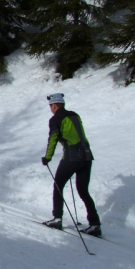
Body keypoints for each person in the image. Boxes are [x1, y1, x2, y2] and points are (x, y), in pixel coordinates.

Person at [41, 93, 102, 236]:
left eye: (51, 106)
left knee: (58, 185)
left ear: (54, 105)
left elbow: (53, 139)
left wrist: (48, 157)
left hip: (72, 156)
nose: (51, 109)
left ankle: (57, 218)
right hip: (87, 155)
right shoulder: (75, 115)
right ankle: (95, 224)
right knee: (83, 190)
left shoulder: (55, 119)